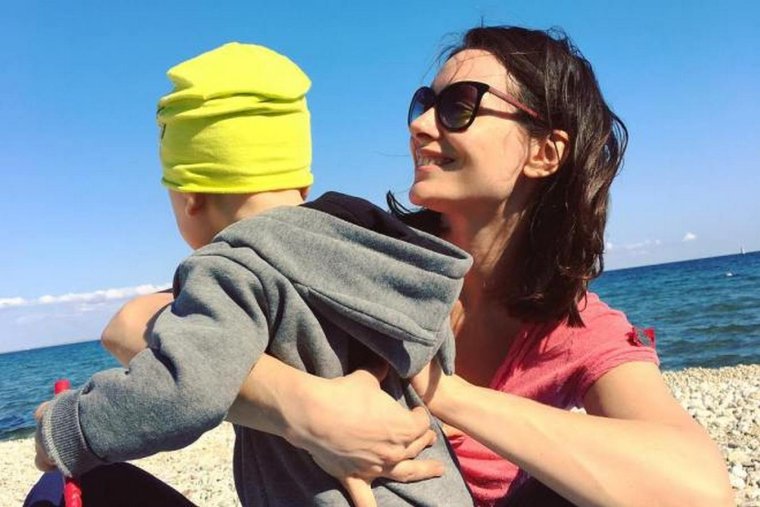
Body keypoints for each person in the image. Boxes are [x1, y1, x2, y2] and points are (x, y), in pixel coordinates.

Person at [170, 26, 731, 506]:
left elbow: (699, 490)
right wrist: (300, 409)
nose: (419, 125)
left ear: (544, 152)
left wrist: (445, 393)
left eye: (459, 106)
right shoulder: (364, 253)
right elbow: (139, 325)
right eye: (424, 103)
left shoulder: (572, 329)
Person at [30, 42, 476, 506]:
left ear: (191, 198)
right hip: (440, 491)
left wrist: (65, 428)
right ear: (302, 184)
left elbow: (183, 391)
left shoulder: (232, 267)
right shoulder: (379, 247)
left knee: (58, 494)